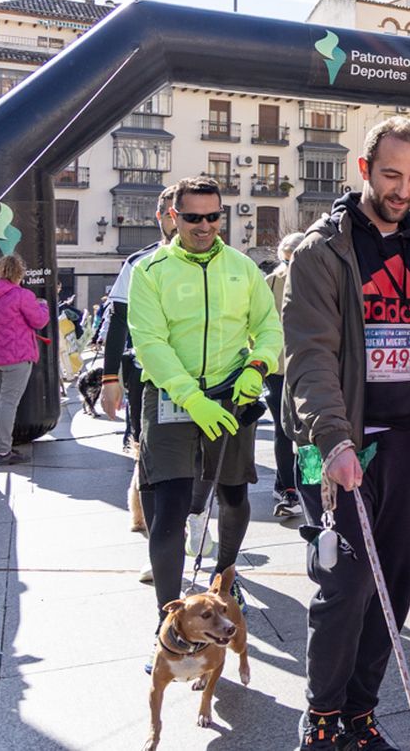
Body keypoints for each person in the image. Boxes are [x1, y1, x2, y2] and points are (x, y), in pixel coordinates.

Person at [282, 116, 410, 751]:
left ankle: (361, 714)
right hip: (341, 447)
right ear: (365, 169)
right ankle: (321, 719)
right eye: (393, 175)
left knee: (393, 584)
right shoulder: (324, 251)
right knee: (345, 585)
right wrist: (335, 438)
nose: (403, 190)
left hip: (406, 443)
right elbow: (311, 356)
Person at [130, 176, 281, 622]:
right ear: (173, 217)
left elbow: (269, 327)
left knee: (233, 496)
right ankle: (168, 617)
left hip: (232, 392)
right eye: (193, 217)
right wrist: (191, 399)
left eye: (213, 216)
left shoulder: (242, 266)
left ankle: (226, 581)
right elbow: (150, 345)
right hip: (173, 397)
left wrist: (258, 367)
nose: (204, 226)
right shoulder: (149, 271)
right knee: (171, 509)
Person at [101, 187, 179, 448]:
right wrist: (110, 379)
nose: (178, 222)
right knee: (147, 453)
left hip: (208, 377)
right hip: (150, 376)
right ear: (158, 216)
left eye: (185, 215)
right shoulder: (139, 263)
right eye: (170, 215)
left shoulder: (227, 264)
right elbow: (118, 319)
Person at [0, 254, 50, 466]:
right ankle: (4, 452)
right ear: (18, 273)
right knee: (8, 403)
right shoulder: (22, 295)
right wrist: (43, 305)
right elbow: (39, 321)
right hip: (16, 356)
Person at [265, 232, 307, 519]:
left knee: (307, 431)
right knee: (283, 429)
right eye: (286, 259)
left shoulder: (318, 279)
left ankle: (301, 485)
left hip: (308, 367)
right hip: (278, 367)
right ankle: (288, 488)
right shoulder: (270, 283)